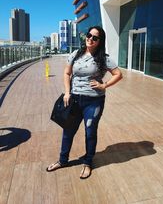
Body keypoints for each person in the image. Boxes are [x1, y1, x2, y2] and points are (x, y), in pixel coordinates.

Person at [46, 26, 122, 179]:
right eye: (89, 35)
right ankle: (62, 160)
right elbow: (67, 73)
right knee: (68, 131)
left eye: (95, 37)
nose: (90, 39)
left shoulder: (103, 58)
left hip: (94, 101)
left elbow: (118, 74)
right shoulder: (76, 54)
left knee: (90, 132)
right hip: (74, 99)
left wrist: (104, 85)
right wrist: (67, 92)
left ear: (100, 41)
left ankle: (88, 162)